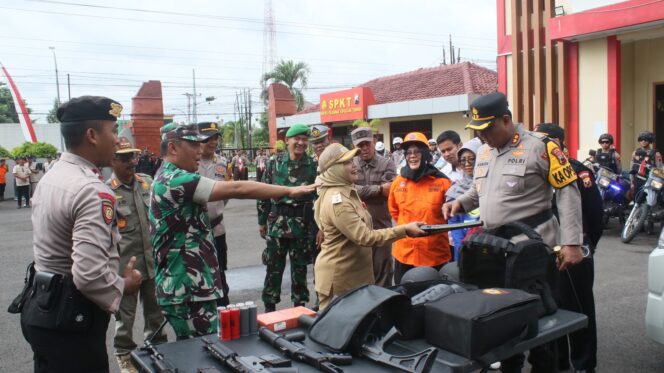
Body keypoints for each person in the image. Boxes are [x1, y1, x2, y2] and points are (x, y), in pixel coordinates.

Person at [442, 92, 584, 373]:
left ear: (506, 120)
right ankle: (510, 366)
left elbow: (568, 191)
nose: (482, 137)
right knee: (501, 318)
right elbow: (478, 189)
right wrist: (461, 202)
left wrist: (572, 243)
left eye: (487, 129)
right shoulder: (484, 151)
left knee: (541, 320)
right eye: (477, 131)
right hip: (495, 251)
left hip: (534, 251)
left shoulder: (541, 146)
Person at [150, 122, 318, 339]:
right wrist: (290, 190)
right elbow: (238, 188)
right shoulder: (175, 180)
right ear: (173, 148)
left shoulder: (168, 175)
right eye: (193, 145)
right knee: (201, 350)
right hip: (187, 288)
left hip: (186, 285)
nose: (200, 152)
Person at [21, 96, 142, 373]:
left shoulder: (53, 176)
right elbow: (89, 275)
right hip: (70, 320)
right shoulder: (91, 190)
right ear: (92, 135)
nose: (118, 140)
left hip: (42, 305)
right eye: (113, 131)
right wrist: (125, 285)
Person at [314, 143, 427, 310]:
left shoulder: (346, 191)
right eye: (347, 163)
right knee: (341, 332)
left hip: (351, 278)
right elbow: (364, 237)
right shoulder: (339, 201)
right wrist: (404, 230)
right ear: (334, 169)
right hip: (340, 281)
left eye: (352, 161)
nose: (354, 165)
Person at [538, 123, 603, 373]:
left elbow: (595, 214)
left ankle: (584, 364)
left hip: (574, 250)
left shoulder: (578, 171)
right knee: (551, 307)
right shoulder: (536, 170)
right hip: (546, 250)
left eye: (543, 140)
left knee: (579, 308)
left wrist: (588, 246)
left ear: (557, 142)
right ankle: (558, 363)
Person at [107, 137, 166, 373]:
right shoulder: (105, 192)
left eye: (132, 156)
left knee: (156, 313)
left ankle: (158, 349)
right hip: (125, 267)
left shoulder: (147, 183)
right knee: (125, 317)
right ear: (112, 161)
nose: (131, 162)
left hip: (152, 262)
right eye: (124, 158)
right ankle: (125, 355)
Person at [257, 124, 318, 312]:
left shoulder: (313, 166)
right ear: (287, 141)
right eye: (296, 139)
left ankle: (299, 308)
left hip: (302, 225)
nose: (301, 142)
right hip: (277, 224)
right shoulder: (274, 163)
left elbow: (319, 199)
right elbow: (263, 193)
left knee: (299, 270)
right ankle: (269, 308)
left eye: (304, 139)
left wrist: (320, 227)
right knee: (273, 268)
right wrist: (261, 221)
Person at [388, 132, 452, 284]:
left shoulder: (442, 182)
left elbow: (451, 216)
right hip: (404, 253)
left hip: (434, 255)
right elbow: (394, 211)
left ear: (425, 154)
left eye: (417, 151)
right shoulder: (398, 183)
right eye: (409, 152)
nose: (413, 156)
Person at [352, 127, 398, 287]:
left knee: (383, 270)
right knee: (359, 272)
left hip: (380, 225)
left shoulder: (387, 163)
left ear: (374, 142)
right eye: (360, 145)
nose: (364, 148)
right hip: (356, 227)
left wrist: (361, 190)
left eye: (367, 144)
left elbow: (390, 189)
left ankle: (383, 307)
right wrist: (378, 189)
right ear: (354, 146)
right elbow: (350, 191)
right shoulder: (350, 164)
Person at [197, 121, 231, 306]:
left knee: (220, 272)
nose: (213, 142)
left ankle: (223, 311)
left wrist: (216, 209)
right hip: (195, 231)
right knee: (198, 273)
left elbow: (227, 193)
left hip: (217, 228)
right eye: (208, 138)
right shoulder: (190, 162)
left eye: (215, 138)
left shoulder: (223, 163)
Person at [445, 137, 482, 261]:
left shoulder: (491, 185)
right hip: (464, 247)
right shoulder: (455, 190)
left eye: (472, 159)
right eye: (463, 160)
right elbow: (454, 223)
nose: (467, 164)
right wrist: (462, 246)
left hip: (488, 244)